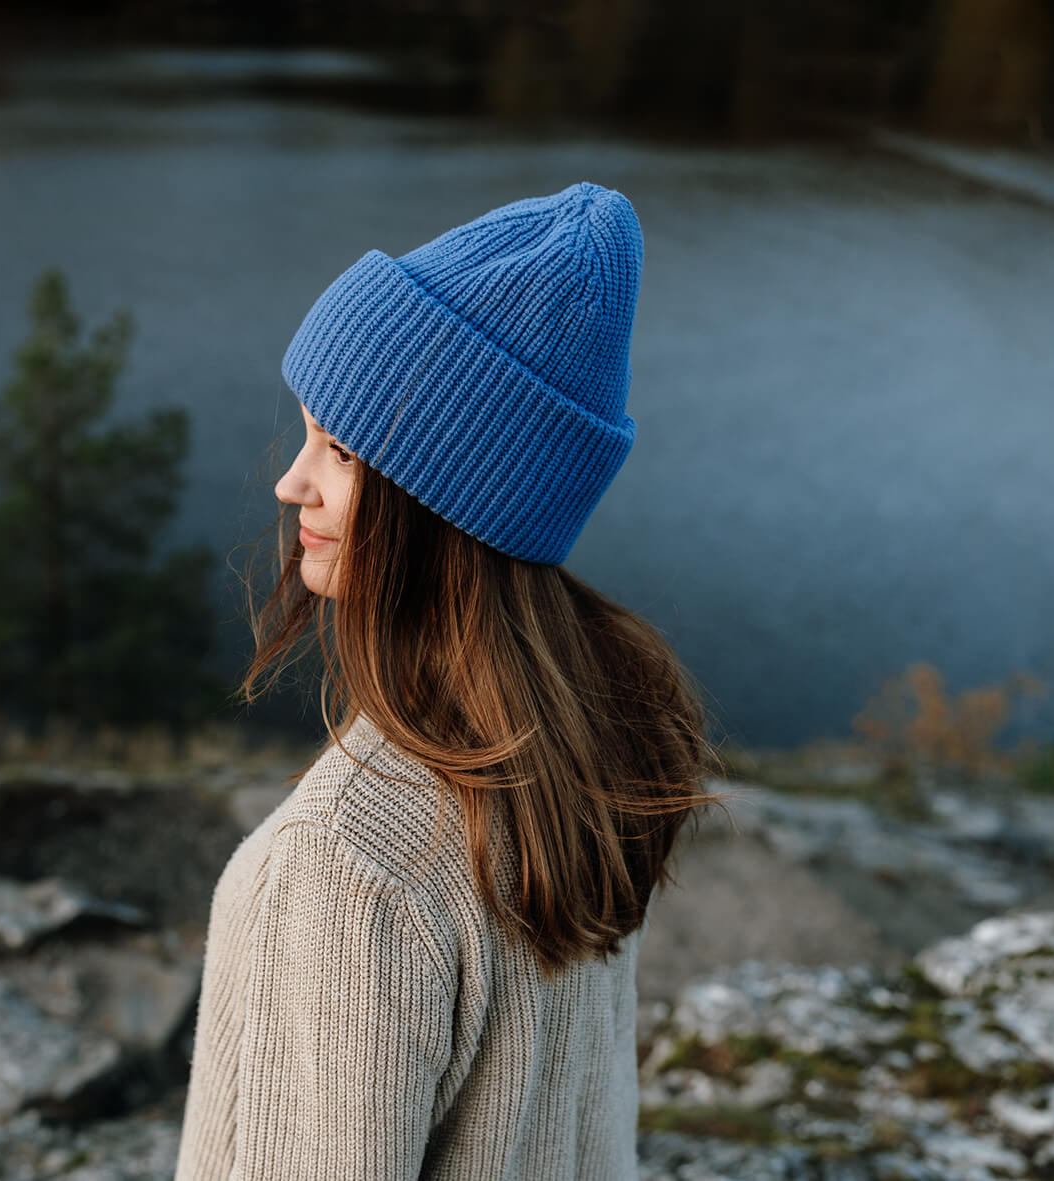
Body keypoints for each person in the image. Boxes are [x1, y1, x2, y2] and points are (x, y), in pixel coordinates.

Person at [174, 182, 722, 1180]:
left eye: (336, 448)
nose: (289, 482)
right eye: (304, 434)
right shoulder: (588, 750)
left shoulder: (349, 864)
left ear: (441, 499)